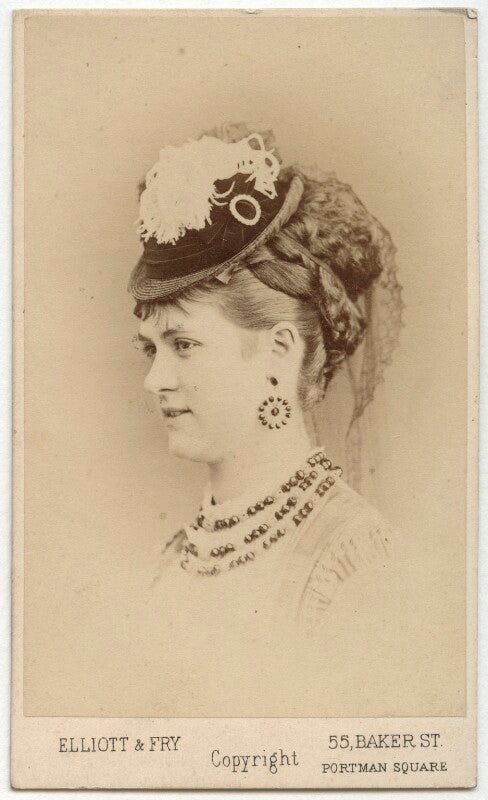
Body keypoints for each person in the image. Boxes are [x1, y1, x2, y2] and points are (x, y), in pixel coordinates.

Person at [126, 122, 404, 714]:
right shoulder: (177, 557)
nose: (155, 380)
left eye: (184, 345)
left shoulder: (352, 557)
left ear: (281, 350)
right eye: (151, 349)